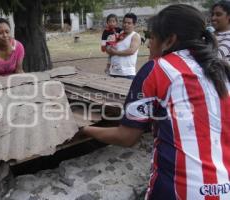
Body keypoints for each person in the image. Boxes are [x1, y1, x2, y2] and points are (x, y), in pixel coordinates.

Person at [81, 4, 230, 199]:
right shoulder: (221, 70)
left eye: (152, 37)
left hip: (178, 189)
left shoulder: (157, 70)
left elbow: (126, 137)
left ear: (170, 40)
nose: (149, 43)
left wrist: (83, 129)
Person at [107, 13, 141, 79]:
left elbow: (131, 51)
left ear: (134, 24)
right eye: (124, 22)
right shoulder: (117, 35)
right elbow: (109, 48)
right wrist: (109, 49)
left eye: (129, 23)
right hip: (113, 73)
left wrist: (115, 52)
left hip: (127, 74)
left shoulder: (135, 36)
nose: (126, 25)